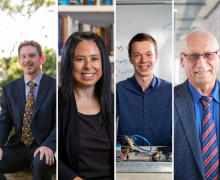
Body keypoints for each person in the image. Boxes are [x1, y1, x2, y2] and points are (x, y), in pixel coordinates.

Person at [174, 31, 220, 180]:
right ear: (181, 60)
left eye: (208, 55)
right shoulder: (167, 101)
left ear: (219, 57)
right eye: (193, 56)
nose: (201, 63)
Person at [58, 32, 114, 180]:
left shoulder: (114, 102)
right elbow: (51, 152)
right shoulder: (57, 102)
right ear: (69, 62)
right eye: (80, 59)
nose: (88, 66)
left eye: (95, 58)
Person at [0, 40, 56, 180]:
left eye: (32, 55)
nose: (27, 60)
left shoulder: (56, 87)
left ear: (42, 58)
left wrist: (49, 145)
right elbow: (4, 123)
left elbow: (61, 122)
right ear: (19, 61)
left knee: (41, 162)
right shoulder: (9, 89)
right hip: (18, 147)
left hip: (45, 146)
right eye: (23, 57)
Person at [116, 33, 172, 146]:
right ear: (130, 59)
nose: (143, 60)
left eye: (148, 54)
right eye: (137, 55)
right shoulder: (118, 90)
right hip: (126, 160)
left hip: (162, 160)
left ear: (156, 57)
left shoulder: (170, 91)